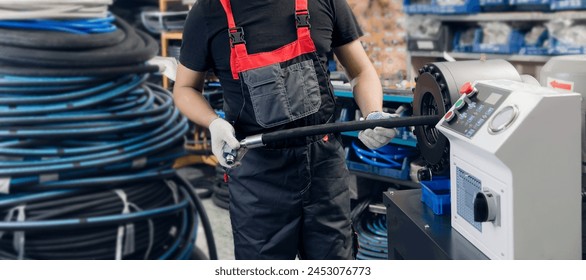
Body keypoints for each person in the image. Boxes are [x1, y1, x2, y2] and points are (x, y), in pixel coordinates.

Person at [173, 0, 396, 260]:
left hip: (324, 169)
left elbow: (360, 70)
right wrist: (213, 122)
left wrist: (373, 113)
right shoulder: (208, 12)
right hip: (257, 173)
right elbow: (184, 89)